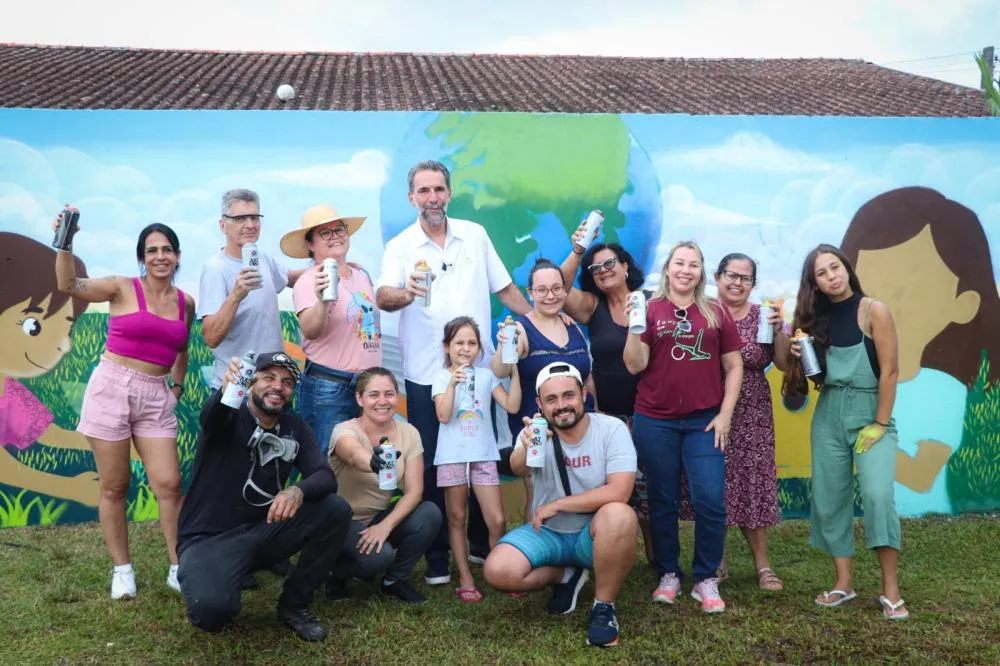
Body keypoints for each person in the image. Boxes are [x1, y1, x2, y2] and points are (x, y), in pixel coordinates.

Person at [375, 159, 530, 585]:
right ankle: (438, 555)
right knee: (431, 465)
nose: (432, 198)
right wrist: (407, 292)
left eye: (439, 189)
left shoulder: (475, 235)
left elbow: (505, 289)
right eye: (424, 191)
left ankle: (480, 545)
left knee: (479, 452)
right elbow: (383, 296)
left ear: (449, 193)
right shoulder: (401, 246)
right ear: (411, 198)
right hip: (427, 374)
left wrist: (537, 319)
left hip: (478, 373)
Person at [55, 218, 193, 599]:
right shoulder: (121, 287)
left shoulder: (185, 302)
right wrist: (65, 244)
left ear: (177, 256)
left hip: (156, 396)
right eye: (152, 250)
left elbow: (182, 348)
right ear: (142, 258)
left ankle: (179, 567)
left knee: (169, 484)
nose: (160, 256)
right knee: (116, 486)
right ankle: (122, 571)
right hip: (112, 389)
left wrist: (176, 387)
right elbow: (68, 284)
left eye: (167, 249)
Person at [840, 187, 1000, 511]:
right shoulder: (854, 375)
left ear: (964, 304)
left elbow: (921, 476)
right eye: (871, 290)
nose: (883, 307)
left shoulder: (942, 389)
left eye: (905, 292)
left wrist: (853, 440)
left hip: (920, 512)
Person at [176, 352, 351, 641]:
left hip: (263, 531)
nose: (278, 387)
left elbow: (324, 476)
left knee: (335, 509)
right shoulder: (229, 415)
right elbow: (213, 418)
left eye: (287, 382)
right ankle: (221, 575)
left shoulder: (295, 428)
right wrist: (225, 391)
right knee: (211, 612)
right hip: (210, 538)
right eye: (268, 378)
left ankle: (294, 605)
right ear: (250, 382)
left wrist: (297, 490)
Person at [782, 244, 908, 620]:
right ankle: (844, 583)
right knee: (830, 497)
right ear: (815, 284)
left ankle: (891, 590)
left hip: (871, 412)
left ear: (847, 268)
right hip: (829, 414)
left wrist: (880, 424)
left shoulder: (874, 310)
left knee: (877, 495)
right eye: (821, 273)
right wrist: (798, 353)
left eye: (835, 267)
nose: (831, 276)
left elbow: (890, 371)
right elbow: (814, 378)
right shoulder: (814, 321)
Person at [624, 241, 743, 614]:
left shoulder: (715, 312)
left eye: (693, 265)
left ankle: (705, 577)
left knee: (710, 499)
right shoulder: (650, 308)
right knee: (662, 499)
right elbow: (634, 365)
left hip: (703, 422)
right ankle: (669, 573)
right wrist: (633, 327)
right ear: (667, 268)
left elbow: (734, 365)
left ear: (701, 272)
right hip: (654, 420)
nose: (686, 270)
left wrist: (725, 415)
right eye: (679, 263)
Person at [483, 362, 637, 648]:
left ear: (584, 395)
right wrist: (525, 447)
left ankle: (604, 607)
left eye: (569, 395)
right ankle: (565, 575)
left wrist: (560, 504)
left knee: (620, 514)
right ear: (540, 405)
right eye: (551, 399)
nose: (561, 405)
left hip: (594, 535)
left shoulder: (611, 428)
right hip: (549, 532)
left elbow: (621, 490)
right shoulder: (535, 432)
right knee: (498, 571)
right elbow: (518, 468)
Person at [559, 231, 653, 561]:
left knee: (650, 493)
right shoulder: (593, 306)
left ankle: (657, 559)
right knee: (613, 492)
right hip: (609, 419)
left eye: (610, 263)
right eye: (596, 268)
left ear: (626, 266)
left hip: (651, 416)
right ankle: (608, 553)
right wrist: (577, 250)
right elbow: (561, 288)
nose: (603, 270)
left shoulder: (652, 302)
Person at [708, 253, 791, 589]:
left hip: (753, 410)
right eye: (731, 275)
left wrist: (780, 331)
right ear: (717, 277)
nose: (737, 283)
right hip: (711, 407)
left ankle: (763, 565)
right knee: (714, 483)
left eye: (745, 278)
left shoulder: (762, 317)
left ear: (753, 284)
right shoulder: (704, 312)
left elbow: (782, 363)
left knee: (753, 483)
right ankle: (716, 561)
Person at [0, 231, 100, 508]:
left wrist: (111, 444)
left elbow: (50, 435)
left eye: (66, 329)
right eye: (34, 326)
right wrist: (68, 488)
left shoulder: (7, 390)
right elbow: (4, 468)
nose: (63, 345)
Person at [327, 367, 441, 604]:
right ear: (359, 398)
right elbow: (352, 453)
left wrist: (385, 526)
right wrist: (372, 461)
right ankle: (333, 572)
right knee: (379, 557)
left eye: (389, 394)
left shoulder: (409, 433)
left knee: (429, 513)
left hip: (378, 517)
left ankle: (394, 581)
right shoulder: (345, 430)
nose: (383, 401)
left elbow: (415, 492)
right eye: (373, 394)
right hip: (341, 522)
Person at [433, 317, 521, 602]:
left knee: (496, 520)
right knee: (457, 517)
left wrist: (514, 370)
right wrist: (452, 384)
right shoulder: (441, 377)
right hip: (452, 457)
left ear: (479, 348)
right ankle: (465, 577)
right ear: (447, 346)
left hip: (483, 455)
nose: (466, 348)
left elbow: (512, 405)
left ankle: (501, 572)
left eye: (472, 343)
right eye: (459, 342)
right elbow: (443, 416)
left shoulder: (486, 376)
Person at [282, 204, 381, 454]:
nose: (335, 236)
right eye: (325, 233)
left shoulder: (361, 275)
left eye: (339, 229)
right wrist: (323, 301)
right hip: (330, 388)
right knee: (328, 460)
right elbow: (311, 330)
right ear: (310, 244)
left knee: (364, 462)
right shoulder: (310, 280)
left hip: (368, 386)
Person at [198, 188, 303, 391]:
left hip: (271, 386)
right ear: (223, 225)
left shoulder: (262, 257)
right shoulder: (216, 269)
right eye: (240, 219)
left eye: (255, 217)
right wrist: (236, 295)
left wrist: (330, 267)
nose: (250, 225)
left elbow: (289, 278)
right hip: (236, 387)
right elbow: (210, 337)